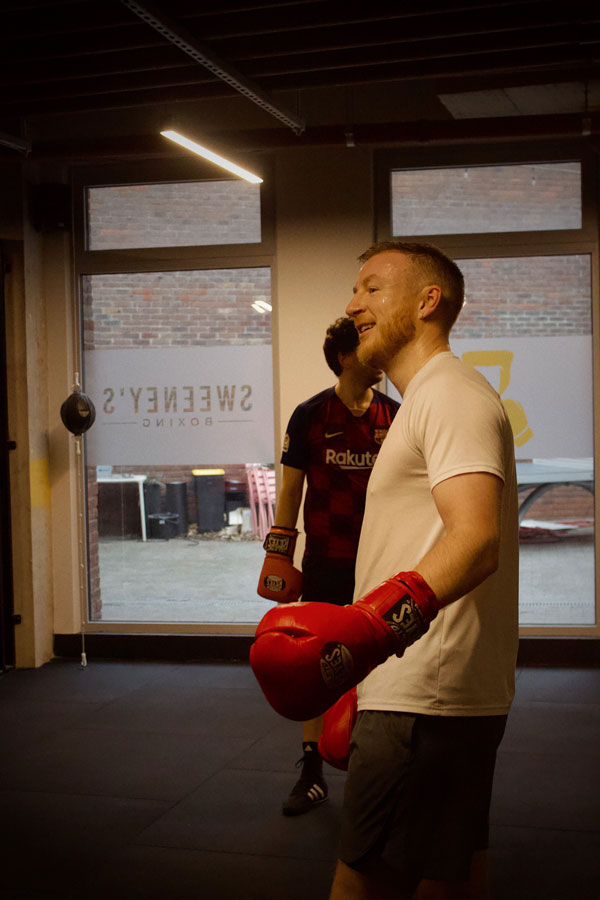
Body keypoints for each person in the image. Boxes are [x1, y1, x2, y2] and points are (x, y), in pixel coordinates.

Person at [321, 241, 519, 899]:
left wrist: (369, 635)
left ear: (427, 302)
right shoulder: (432, 399)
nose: (353, 306)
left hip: (423, 696)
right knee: (449, 876)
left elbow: (473, 541)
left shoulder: (448, 395)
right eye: (356, 291)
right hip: (427, 688)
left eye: (373, 289)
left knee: (361, 884)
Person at [257, 315, 400, 817]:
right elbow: (290, 495)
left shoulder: (396, 414)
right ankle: (312, 771)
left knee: (387, 666)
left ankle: (377, 768)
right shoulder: (309, 415)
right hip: (326, 562)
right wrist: (279, 556)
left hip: (384, 564)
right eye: (365, 347)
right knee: (317, 666)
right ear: (343, 356)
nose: (378, 356)